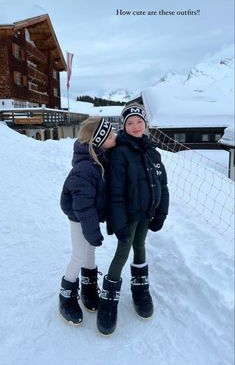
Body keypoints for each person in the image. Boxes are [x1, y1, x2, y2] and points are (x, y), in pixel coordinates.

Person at [97, 103, 169, 335]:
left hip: (147, 212)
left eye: (139, 121)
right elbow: (115, 192)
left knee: (140, 245)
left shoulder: (153, 151)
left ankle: (140, 287)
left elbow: (163, 185)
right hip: (128, 214)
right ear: (124, 126)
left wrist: (161, 212)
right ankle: (108, 298)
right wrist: (118, 223)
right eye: (130, 123)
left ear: (145, 124)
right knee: (123, 250)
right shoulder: (120, 153)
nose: (136, 126)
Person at [59, 117, 116, 325]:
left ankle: (89, 286)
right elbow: (82, 206)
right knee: (79, 253)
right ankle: (66, 294)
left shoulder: (101, 157)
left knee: (89, 249)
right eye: (110, 136)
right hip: (78, 215)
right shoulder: (84, 169)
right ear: (98, 142)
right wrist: (92, 231)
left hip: (89, 214)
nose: (115, 138)